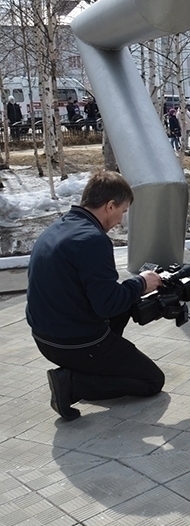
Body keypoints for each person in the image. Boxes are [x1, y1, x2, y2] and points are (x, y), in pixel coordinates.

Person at [26, 171, 164, 421]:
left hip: (45, 337)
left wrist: (131, 290)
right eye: (122, 211)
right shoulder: (93, 240)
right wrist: (142, 284)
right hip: (75, 344)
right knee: (151, 380)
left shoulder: (58, 228)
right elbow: (107, 305)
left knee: (124, 298)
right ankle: (73, 384)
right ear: (109, 205)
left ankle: (97, 364)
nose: (121, 220)